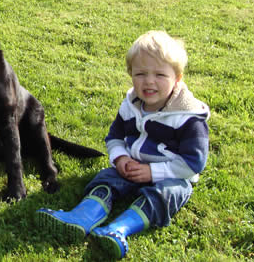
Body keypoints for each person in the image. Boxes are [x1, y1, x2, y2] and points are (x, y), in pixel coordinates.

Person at [36, 30, 210, 259]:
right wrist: (120, 158)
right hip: (132, 166)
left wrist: (152, 172)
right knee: (105, 178)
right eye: (140, 74)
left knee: (167, 194)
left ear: (177, 78)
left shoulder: (188, 116)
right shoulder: (131, 105)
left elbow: (193, 163)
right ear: (130, 75)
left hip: (172, 175)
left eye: (160, 74)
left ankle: (118, 230)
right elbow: (114, 137)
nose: (149, 81)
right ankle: (81, 217)